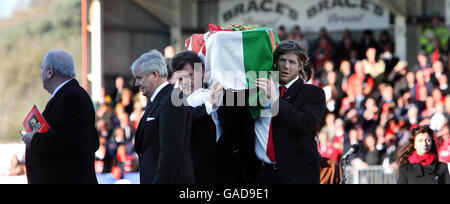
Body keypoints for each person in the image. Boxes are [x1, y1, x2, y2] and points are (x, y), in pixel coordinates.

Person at [253, 40, 326, 184]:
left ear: (300, 66)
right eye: (282, 60)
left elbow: (304, 124)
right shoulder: (259, 91)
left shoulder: (313, 93)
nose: (286, 66)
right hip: (263, 173)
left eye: (292, 62)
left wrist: (276, 99)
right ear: (275, 62)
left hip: (297, 176)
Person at [22, 50, 99, 184]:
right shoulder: (68, 95)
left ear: (50, 71)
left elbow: (67, 142)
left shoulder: (72, 98)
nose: (41, 73)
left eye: (42, 68)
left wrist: (34, 139)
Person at [131, 50, 194, 184]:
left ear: (154, 75)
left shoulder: (172, 100)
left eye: (139, 78)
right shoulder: (157, 100)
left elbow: (170, 153)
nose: (136, 84)